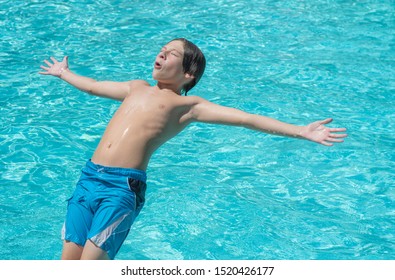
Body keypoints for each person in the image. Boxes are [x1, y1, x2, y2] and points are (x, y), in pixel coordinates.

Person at [39, 38, 347, 260]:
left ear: (188, 75)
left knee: (91, 265)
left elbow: (246, 119)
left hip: (122, 187)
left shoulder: (188, 106)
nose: (162, 53)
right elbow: (93, 86)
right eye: (162, 49)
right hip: (89, 178)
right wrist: (64, 74)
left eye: (171, 54)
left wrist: (300, 131)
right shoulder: (136, 87)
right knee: (69, 261)